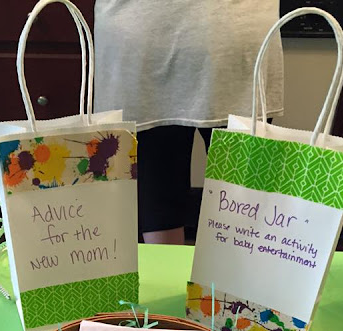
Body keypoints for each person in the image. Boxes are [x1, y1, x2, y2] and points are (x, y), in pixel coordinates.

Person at [93, 0, 284, 244]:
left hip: (140, 31)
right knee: (242, 209)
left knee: (161, 203)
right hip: (232, 31)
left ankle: (173, 268)